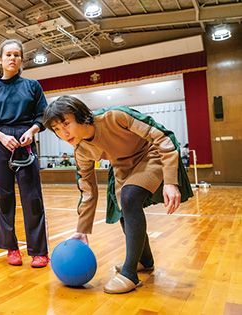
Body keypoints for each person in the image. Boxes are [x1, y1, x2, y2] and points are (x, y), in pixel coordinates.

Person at [43, 95, 194, 293]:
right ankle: (144, 260)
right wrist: (82, 229)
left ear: (79, 115)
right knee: (123, 211)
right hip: (122, 167)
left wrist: (171, 181)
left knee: (129, 197)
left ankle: (130, 273)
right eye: (56, 129)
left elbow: (161, 136)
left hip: (151, 154)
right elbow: (87, 190)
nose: (64, 133)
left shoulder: (114, 116)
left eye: (66, 124)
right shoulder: (81, 150)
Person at [0, 39, 50, 268]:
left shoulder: (32, 86)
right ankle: (11, 248)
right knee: (4, 197)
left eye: (17, 55)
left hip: (26, 141)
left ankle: (39, 251)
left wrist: (32, 130)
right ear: (0, 59)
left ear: (21, 60)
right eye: (8, 54)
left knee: (33, 198)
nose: (12, 58)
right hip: (0, 143)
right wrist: (1, 136)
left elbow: (42, 116)